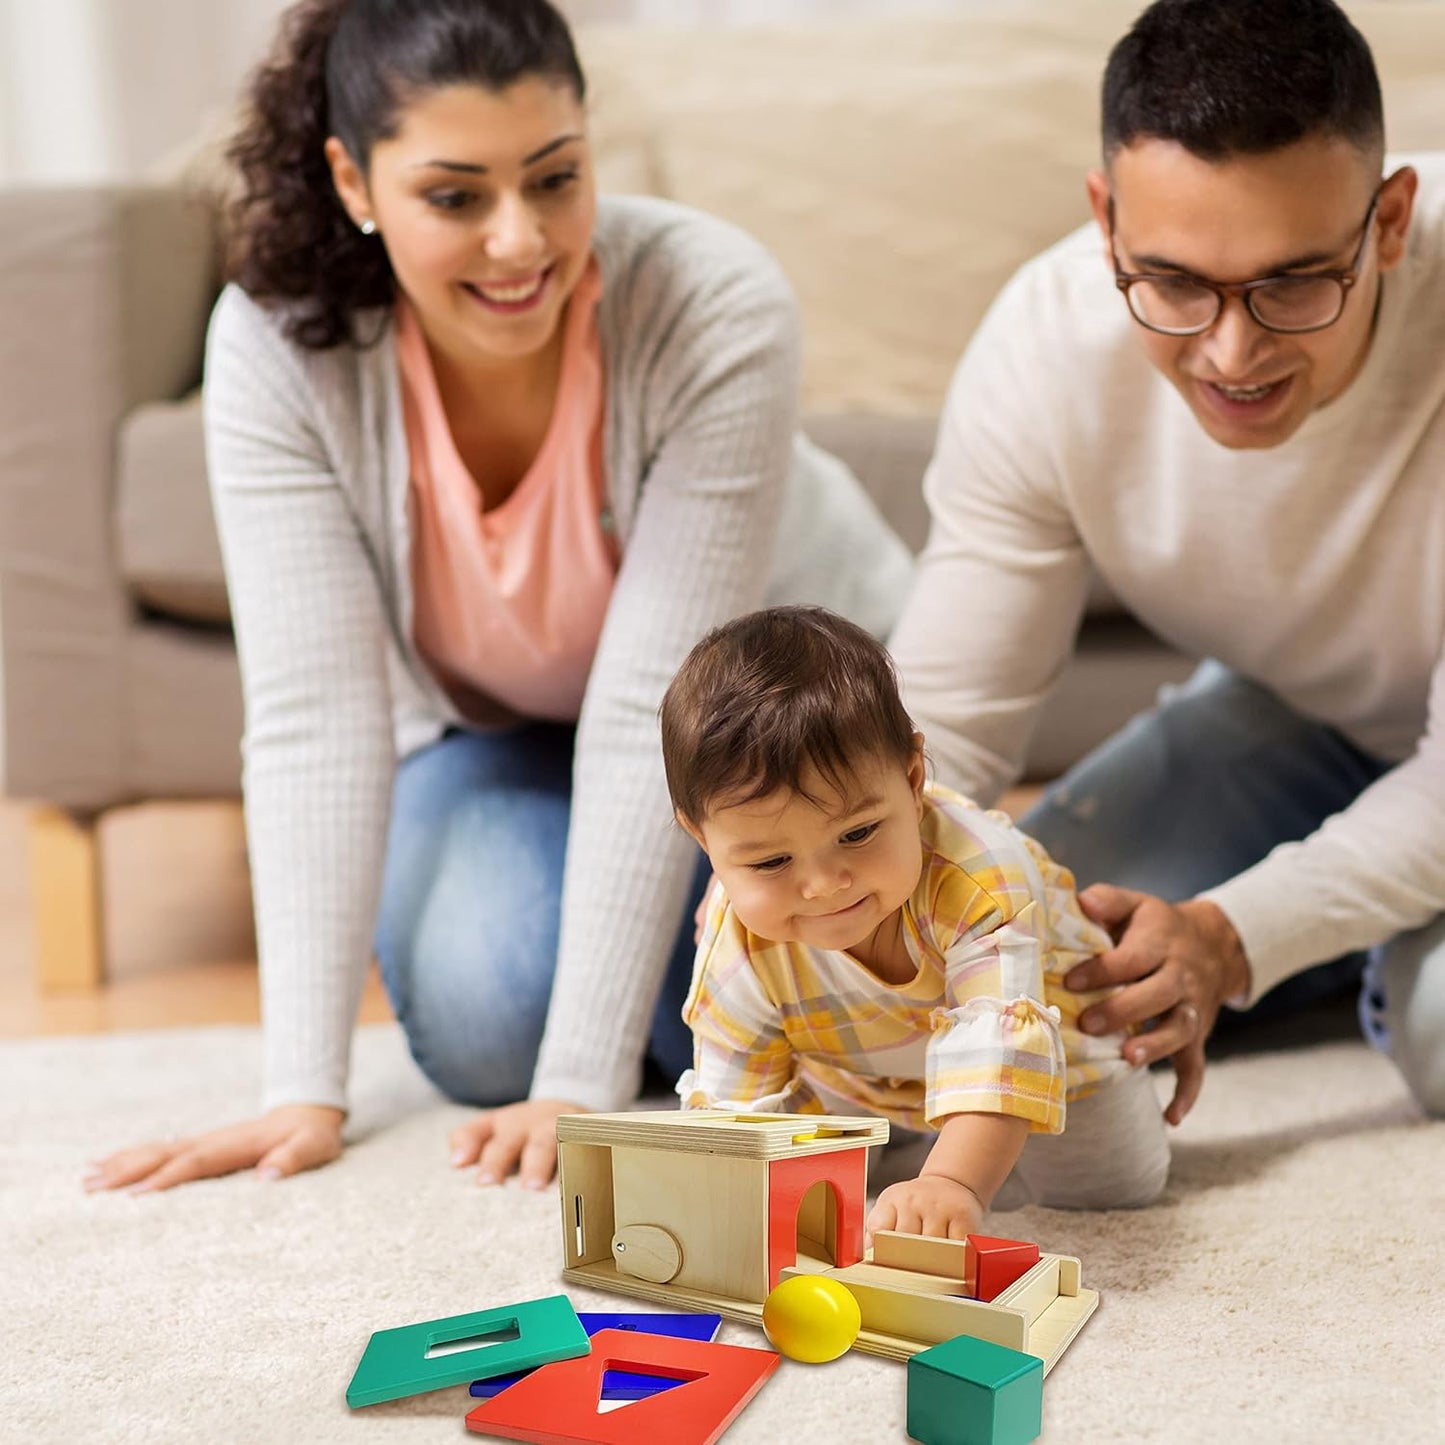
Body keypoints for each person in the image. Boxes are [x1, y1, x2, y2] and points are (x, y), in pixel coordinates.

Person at [83, 0, 910, 1197]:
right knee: (485, 1012)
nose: (520, 242)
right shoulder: (275, 344)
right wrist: (299, 1090)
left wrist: (575, 1082)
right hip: (497, 736)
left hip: (779, 751)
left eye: (555, 178)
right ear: (353, 181)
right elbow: (316, 712)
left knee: (828, 950)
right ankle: (740, 1026)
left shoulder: (711, 300)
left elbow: (648, 704)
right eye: (455, 196)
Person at [889, 0, 1445, 1129]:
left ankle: (1371, 963)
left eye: (1294, 282)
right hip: (1295, 720)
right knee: (1034, 959)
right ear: (1104, 222)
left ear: (1390, 220)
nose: (1230, 352)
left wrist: (1233, 935)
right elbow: (946, 724)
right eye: (1174, 282)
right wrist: (851, 917)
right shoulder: (1044, 348)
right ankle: (1349, 935)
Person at [660, 607, 1169, 1239]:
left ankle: (955, 1148)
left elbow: (1003, 1056)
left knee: (1113, 1186)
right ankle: (918, 1135)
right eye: (770, 860)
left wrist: (951, 1183)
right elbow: (735, 1105)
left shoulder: (979, 880)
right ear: (702, 838)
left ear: (911, 777)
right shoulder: (736, 936)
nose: (823, 886)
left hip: (1055, 1045)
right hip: (858, 1066)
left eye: (858, 832)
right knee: (802, 1189)